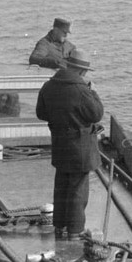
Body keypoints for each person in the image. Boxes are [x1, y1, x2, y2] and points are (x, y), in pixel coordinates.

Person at [36, 48, 105, 238]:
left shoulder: (48, 86)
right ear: (82, 71)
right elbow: (96, 114)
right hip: (80, 147)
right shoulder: (82, 90)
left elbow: (41, 113)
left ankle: (59, 226)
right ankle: (75, 230)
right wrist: (93, 92)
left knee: (61, 186)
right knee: (77, 189)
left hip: (59, 144)